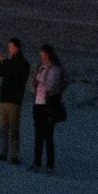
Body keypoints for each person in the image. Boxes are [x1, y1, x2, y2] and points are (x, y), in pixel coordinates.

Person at [0, 37, 32, 162]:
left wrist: (6, 62)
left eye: (11, 47)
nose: (9, 49)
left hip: (14, 99)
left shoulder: (22, 63)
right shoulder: (9, 62)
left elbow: (17, 76)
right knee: (4, 128)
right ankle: (3, 152)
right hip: (4, 98)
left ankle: (14, 155)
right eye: (9, 47)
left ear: (17, 48)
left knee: (13, 128)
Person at [29, 44, 67, 172]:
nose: (42, 58)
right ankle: (37, 162)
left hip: (49, 106)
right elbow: (34, 86)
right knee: (38, 135)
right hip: (38, 103)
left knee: (48, 136)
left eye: (44, 55)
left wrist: (40, 80)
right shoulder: (41, 68)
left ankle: (50, 165)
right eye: (41, 55)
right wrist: (36, 81)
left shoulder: (55, 69)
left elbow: (51, 87)